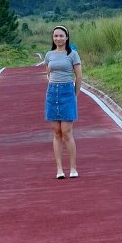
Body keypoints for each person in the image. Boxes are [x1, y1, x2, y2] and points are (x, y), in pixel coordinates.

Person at [43, 26, 81, 179]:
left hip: (67, 92)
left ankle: (73, 167)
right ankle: (59, 169)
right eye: (56, 36)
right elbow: (48, 73)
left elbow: (78, 77)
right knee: (56, 132)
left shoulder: (72, 54)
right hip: (52, 93)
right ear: (53, 38)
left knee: (66, 132)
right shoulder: (49, 55)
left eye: (61, 36)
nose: (58, 38)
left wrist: (75, 95)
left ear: (66, 37)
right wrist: (53, 86)